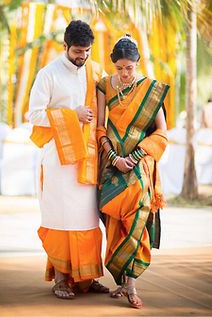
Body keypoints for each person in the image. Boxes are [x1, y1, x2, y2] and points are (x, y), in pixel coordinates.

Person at [28, 20, 109, 299]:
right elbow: (34, 115)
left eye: (86, 50)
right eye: (77, 51)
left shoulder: (96, 71)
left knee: (87, 220)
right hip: (58, 161)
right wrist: (71, 114)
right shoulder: (48, 74)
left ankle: (86, 278)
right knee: (61, 219)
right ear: (65, 46)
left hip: (88, 161)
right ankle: (61, 279)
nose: (82, 56)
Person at [96, 34, 169, 308]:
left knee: (138, 217)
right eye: (120, 68)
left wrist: (136, 155)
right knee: (115, 225)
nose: (125, 74)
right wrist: (114, 157)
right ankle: (121, 281)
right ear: (113, 65)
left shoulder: (150, 89)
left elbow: (161, 132)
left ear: (138, 64)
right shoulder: (104, 85)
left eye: (130, 68)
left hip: (139, 166)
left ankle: (131, 286)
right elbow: (100, 128)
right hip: (112, 165)